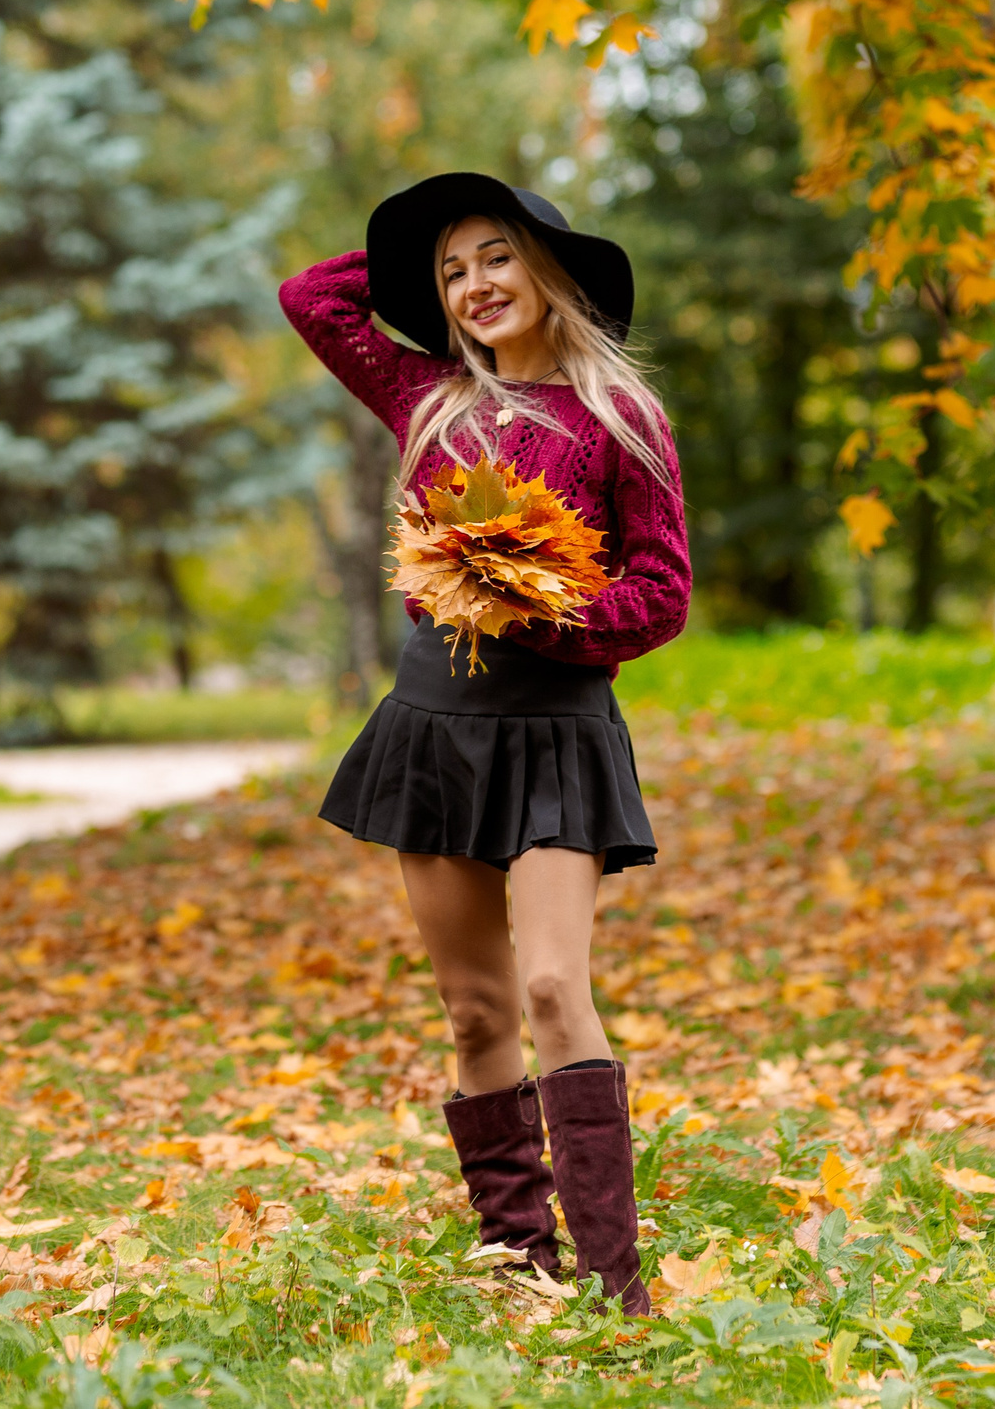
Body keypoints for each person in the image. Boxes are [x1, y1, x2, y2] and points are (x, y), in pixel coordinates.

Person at [279, 173, 691, 1315]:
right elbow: (311, 296)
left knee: (556, 986)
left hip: (555, 726)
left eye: (498, 258)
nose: (475, 287)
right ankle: (520, 1264)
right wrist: (412, 260)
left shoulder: (619, 418)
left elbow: (661, 594)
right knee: (474, 1011)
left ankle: (616, 1289)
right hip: (433, 725)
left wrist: (543, 611)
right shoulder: (425, 397)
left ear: (548, 269)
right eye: (453, 272)